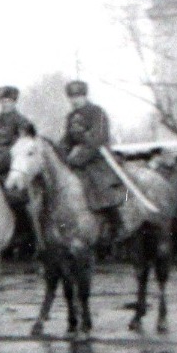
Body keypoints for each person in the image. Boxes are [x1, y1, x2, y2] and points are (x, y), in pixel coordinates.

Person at [59, 79, 125, 246]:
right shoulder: (71, 117)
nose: (74, 100)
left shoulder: (97, 112)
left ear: (85, 96)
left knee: (101, 185)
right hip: (78, 160)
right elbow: (67, 140)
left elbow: (98, 139)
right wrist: (60, 154)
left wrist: (78, 159)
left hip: (98, 158)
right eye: (71, 97)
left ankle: (116, 224)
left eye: (78, 96)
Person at [0, 85, 36, 178]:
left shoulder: (24, 124)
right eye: (2, 101)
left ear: (14, 102)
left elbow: (26, 150)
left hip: (17, 171)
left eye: (8, 101)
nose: (5, 104)